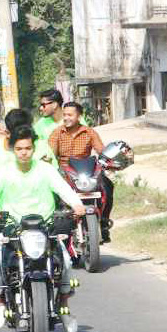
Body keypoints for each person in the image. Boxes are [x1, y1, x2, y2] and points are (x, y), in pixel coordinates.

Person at [0, 127, 85, 332]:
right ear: (13, 150)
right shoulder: (4, 171)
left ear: (34, 148)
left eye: (28, 148)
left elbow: (63, 189)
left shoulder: (45, 169)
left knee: (65, 261)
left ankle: (64, 307)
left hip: (44, 227)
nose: (24, 152)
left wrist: (77, 204)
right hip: (13, 227)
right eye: (19, 148)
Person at [48, 101, 121, 241]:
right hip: (64, 172)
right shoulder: (57, 133)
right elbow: (50, 152)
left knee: (107, 186)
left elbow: (101, 150)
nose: (66, 118)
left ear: (79, 116)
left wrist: (111, 159)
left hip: (86, 172)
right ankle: (55, 226)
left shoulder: (89, 132)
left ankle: (104, 222)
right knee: (52, 193)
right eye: (64, 115)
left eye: (70, 114)